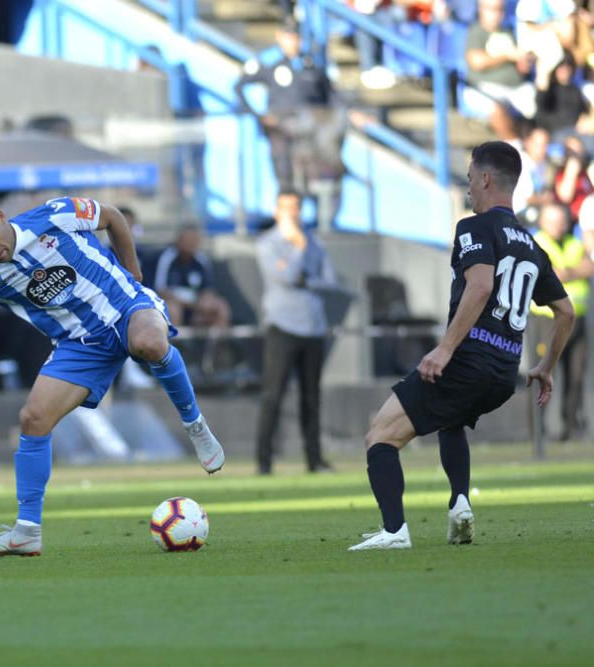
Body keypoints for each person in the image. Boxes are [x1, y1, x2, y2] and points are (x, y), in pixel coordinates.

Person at [0, 194, 226, 557]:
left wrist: (134, 273)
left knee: (149, 342)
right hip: (80, 345)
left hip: (125, 307)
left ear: (1, 216)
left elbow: (113, 217)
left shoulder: (54, 215)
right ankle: (27, 531)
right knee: (32, 419)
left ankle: (196, 426)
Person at [348, 142, 574, 551]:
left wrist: (445, 350)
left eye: (470, 178)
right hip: (505, 373)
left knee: (379, 436)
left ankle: (395, 531)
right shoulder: (530, 244)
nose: (469, 186)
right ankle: (460, 503)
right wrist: (546, 366)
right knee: (449, 420)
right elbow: (566, 311)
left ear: (486, 179)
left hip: (468, 359)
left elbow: (482, 284)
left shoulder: (474, 228)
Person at [255, 190, 336, 475]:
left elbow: (329, 282)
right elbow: (286, 277)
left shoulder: (316, 242)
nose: (291, 214)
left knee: (311, 397)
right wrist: (298, 247)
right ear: (277, 212)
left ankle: (314, 461)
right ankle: (264, 462)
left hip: (313, 326)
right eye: (285, 208)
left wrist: (307, 280)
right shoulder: (268, 244)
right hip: (283, 325)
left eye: (295, 208)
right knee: (273, 395)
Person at [234, 18, 344, 194]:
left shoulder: (311, 62)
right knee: (285, 176)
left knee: (314, 177)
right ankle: (286, 213)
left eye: (296, 37)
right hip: (281, 127)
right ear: (279, 37)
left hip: (309, 127)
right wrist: (258, 116)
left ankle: (317, 217)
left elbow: (330, 93)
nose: (293, 41)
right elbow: (240, 86)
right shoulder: (269, 61)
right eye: (288, 36)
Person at [529, 203, 594, 440]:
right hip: (548, 319)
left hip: (577, 317)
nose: (558, 225)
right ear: (542, 222)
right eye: (552, 220)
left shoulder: (574, 244)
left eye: (561, 220)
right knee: (543, 371)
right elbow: (549, 273)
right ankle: (539, 430)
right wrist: (573, 271)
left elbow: (590, 266)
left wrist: (567, 272)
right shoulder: (536, 242)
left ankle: (571, 427)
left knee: (576, 374)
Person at [464, 0, 538, 121]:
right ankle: (514, 140)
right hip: (483, 87)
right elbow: (476, 62)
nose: (498, 14)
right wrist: (507, 55)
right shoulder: (476, 31)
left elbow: (521, 67)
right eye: (493, 9)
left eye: (500, 9)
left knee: (542, 104)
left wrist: (524, 63)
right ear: (481, 9)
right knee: (496, 108)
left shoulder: (508, 31)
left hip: (517, 88)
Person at [153, 226, 230, 329]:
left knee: (221, 307)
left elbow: (208, 289)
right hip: (175, 301)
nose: (190, 244)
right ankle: (175, 343)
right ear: (178, 241)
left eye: (193, 241)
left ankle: (215, 344)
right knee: (173, 310)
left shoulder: (202, 260)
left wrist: (204, 300)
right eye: (187, 240)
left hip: (196, 303)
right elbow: (161, 290)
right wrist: (188, 304)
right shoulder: (167, 258)